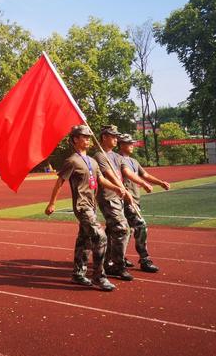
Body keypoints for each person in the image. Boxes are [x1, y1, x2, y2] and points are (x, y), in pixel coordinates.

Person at [45, 124, 126, 292]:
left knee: (85, 240)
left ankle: (78, 274)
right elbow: (60, 182)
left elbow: (100, 180)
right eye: (85, 137)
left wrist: (116, 188)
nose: (88, 139)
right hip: (82, 207)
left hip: (92, 205)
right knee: (100, 237)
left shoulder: (93, 161)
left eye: (89, 137)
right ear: (75, 139)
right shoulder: (72, 161)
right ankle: (99, 276)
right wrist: (52, 203)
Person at [117, 133, 170, 273]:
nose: (132, 145)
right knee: (141, 226)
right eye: (129, 143)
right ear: (121, 145)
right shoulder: (118, 160)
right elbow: (128, 174)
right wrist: (144, 184)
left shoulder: (133, 161)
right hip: (126, 200)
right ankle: (144, 259)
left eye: (132, 143)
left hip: (135, 200)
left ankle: (117, 257)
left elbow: (144, 174)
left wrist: (160, 183)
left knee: (126, 230)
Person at [93, 125, 134, 281]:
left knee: (113, 231)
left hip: (118, 198)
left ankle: (107, 262)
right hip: (108, 198)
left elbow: (125, 172)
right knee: (123, 229)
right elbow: (110, 176)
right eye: (113, 136)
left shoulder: (116, 156)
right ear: (104, 137)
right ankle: (118, 265)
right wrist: (123, 190)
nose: (116, 139)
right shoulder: (99, 156)